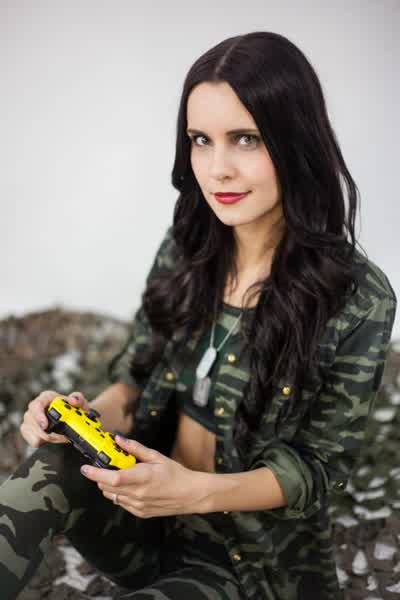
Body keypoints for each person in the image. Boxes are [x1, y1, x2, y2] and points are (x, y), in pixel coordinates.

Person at [0, 30, 397, 600]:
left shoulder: (358, 297)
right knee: (47, 467)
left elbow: (316, 470)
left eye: (245, 139)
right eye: (200, 140)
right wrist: (77, 417)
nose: (217, 169)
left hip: (242, 560)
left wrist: (192, 491)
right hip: (140, 514)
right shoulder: (186, 249)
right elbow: (135, 383)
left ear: (296, 141)